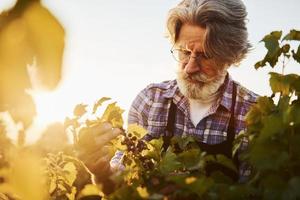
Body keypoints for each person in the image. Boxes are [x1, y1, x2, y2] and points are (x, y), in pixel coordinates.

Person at [81, 0, 259, 194]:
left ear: (230, 57)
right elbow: (121, 188)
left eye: (205, 55)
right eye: (184, 52)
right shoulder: (149, 101)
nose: (190, 68)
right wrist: (100, 172)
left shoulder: (254, 114)